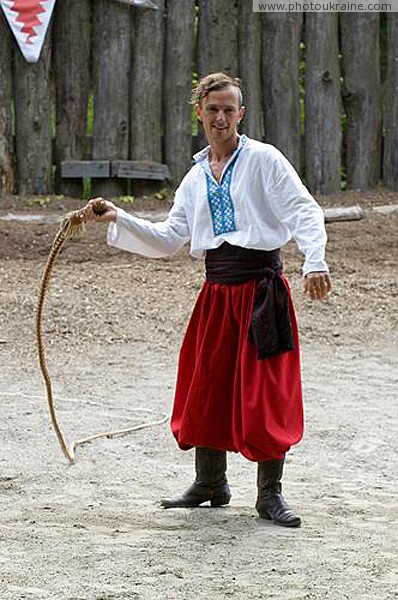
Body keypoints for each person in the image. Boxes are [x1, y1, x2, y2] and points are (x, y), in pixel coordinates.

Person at [83, 72, 332, 528]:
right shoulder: (195, 177)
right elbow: (169, 238)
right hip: (216, 294)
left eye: (228, 109)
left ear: (241, 113)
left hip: (261, 292)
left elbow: (302, 209)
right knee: (207, 383)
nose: (220, 117)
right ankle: (210, 483)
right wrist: (119, 215)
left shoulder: (264, 160)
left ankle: (269, 494)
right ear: (199, 112)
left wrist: (314, 260)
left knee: (264, 393)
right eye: (212, 109)